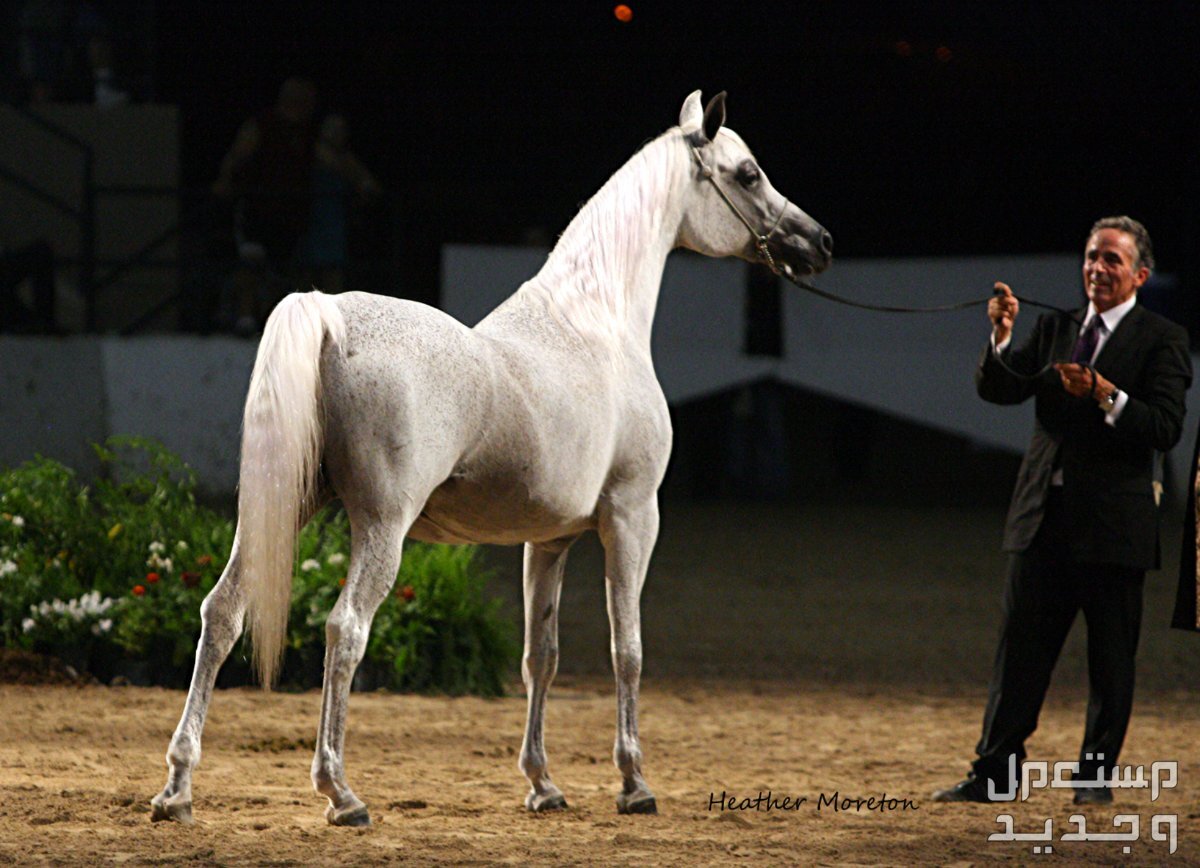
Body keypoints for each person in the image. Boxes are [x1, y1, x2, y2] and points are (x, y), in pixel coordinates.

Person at [933, 216, 1191, 805]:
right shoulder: (1056, 326)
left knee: (1110, 662)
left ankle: (1093, 781)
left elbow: (1166, 428)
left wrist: (1105, 393)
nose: (1098, 269)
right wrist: (1000, 338)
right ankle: (994, 775)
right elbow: (1001, 387)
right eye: (1092, 257)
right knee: (1018, 655)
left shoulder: (1162, 339)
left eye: (1113, 261)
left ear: (1140, 275)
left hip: (1113, 528)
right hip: (1042, 518)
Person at [212, 77, 318, 333]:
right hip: (256, 209)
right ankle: (245, 318)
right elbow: (238, 154)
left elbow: (330, 158)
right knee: (251, 262)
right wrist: (224, 179)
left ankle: (275, 321)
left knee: (280, 271)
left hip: (290, 215)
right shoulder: (262, 125)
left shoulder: (307, 132)